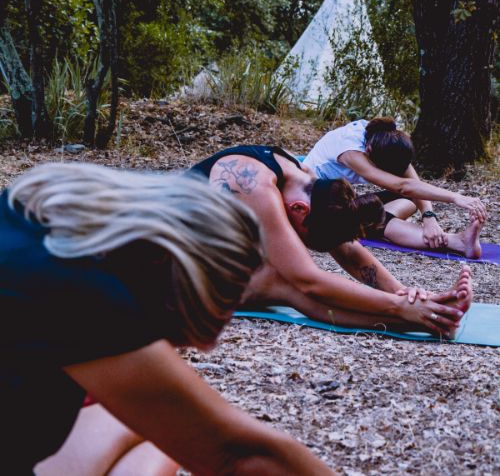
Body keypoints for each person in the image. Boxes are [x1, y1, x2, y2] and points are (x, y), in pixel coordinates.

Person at [1, 162, 334, 475]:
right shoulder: (72, 290)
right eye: (218, 298)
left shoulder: (27, 217)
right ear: (164, 259)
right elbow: (235, 452)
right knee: (186, 432)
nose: (208, 344)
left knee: (155, 430)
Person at [191, 144, 473, 339]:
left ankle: (430, 318)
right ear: (299, 210)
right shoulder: (253, 186)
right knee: (282, 283)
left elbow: (348, 251)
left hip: (207, 254)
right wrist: (398, 306)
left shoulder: (308, 182)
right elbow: (308, 280)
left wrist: (403, 293)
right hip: (167, 263)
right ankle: (420, 319)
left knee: (283, 282)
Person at [303, 117, 487, 258]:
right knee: (374, 217)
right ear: (369, 152)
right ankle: (456, 242)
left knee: (412, 200)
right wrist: (456, 197)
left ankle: (377, 224)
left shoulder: (388, 141)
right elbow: (402, 186)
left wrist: (429, 217)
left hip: (341, 200)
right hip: (314, 209)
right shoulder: (351, 151)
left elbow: (414, 186)